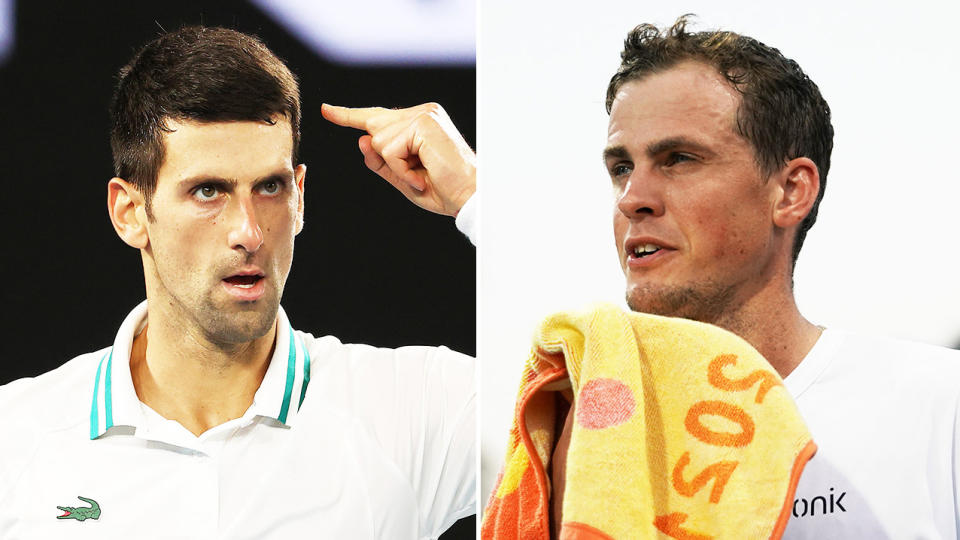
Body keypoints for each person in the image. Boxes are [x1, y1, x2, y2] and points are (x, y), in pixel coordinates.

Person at [0, 26, 477, 538]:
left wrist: (475, 195)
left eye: (269, 187)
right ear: (130, 212)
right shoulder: (17, 441)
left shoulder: (415, 409)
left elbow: (576, 393)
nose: (248, 232)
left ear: (300, 197)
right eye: (208, 191)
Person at [539, 16, 960, 538]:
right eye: (621, 167)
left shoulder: (940, 406)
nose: (632, 198)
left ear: (790, 192)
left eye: (678, 159)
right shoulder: (578, 439)